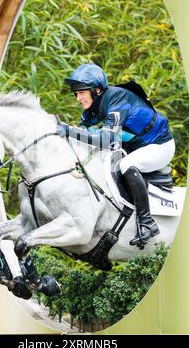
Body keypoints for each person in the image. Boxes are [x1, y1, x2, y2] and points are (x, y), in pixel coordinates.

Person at [57, 63, 175, 247]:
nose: (78, 98)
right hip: (135, 146)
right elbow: (81, 139)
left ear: (96, 90)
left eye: (81, 92)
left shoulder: (118, 99)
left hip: (160, 145)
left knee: (126, 165)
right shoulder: (91, 111)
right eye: (76, 93)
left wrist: (69, 130)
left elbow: (104, 139)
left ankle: (147, 223)